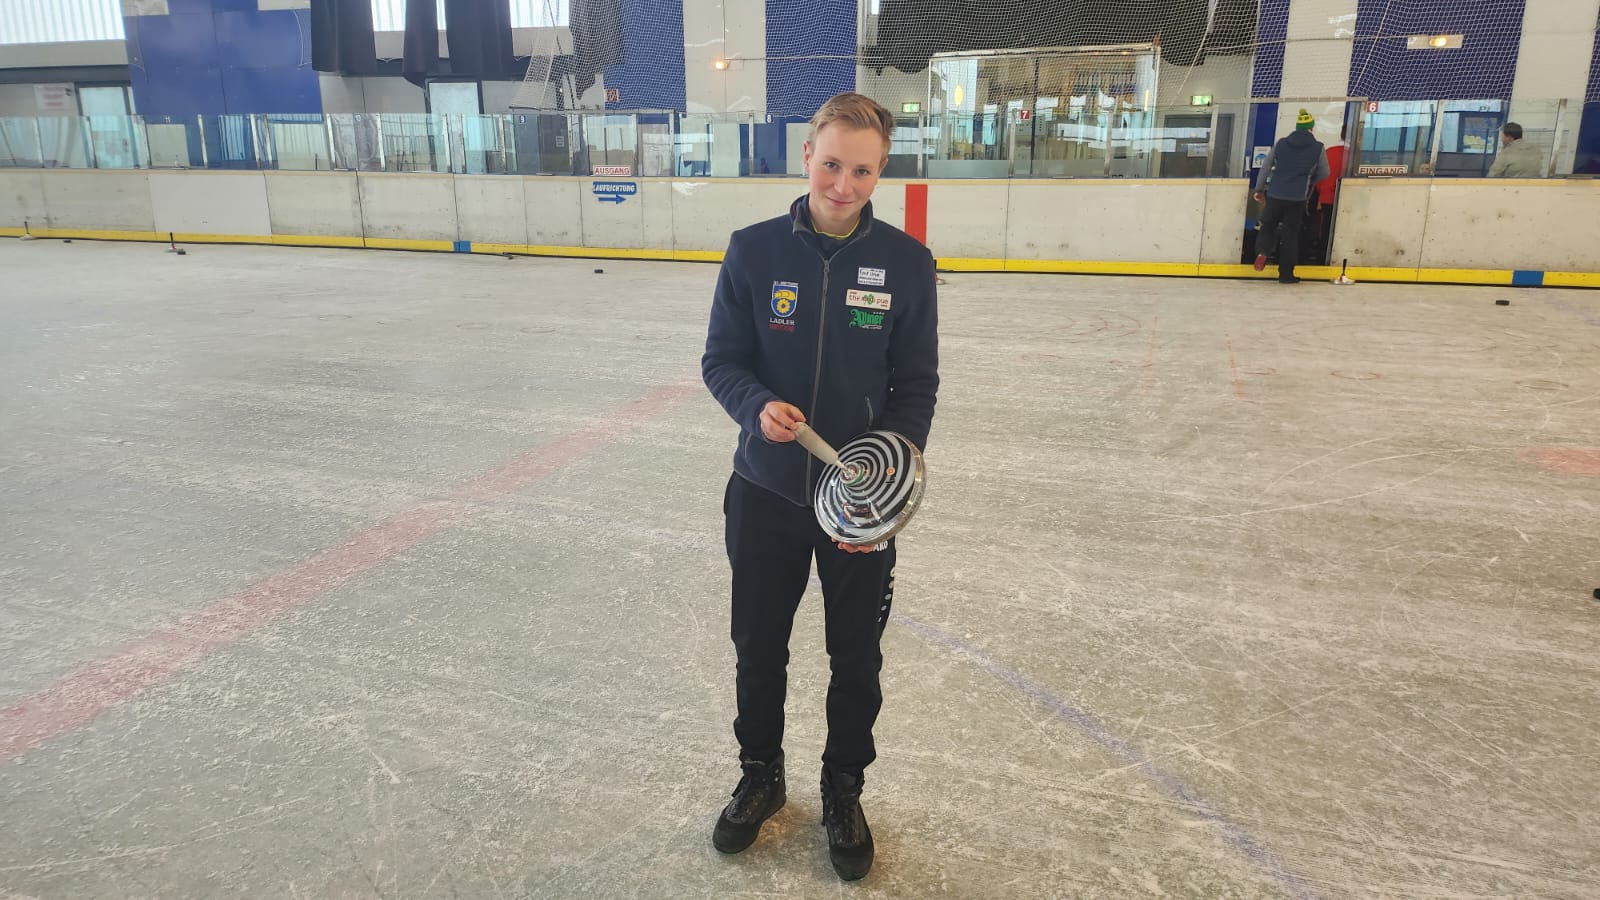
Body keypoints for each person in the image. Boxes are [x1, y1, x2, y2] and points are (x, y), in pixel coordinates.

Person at [701, 91, 940, 882]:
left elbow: (917, 385)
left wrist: (882, 477)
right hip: (765, 492)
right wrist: (754, 405)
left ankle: (843, 790)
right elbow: (721, 361)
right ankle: (761, 776)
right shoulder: (753, 250)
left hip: (858, 511)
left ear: (880, 172)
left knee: (855, 659)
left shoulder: (907, 264)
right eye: (832, 163)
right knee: (758, 650)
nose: (844, 183)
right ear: (807, 155)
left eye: (863, 170)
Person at [1253, 108, 1330, 284]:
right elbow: (1325, 172)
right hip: (1297, 198)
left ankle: (1263, 251)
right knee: (1290, 235)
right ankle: (1286, 274)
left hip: (1275, 194)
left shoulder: (1281, 143)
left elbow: (1265, 167)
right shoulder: (1318, 147)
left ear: (1296, 128)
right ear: (1311, 129)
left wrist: (1259, 189)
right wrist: (1308, 180)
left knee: (1268, 226)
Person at [1305, 123, 1347, 265]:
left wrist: (1321, 192)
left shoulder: (1329, 151)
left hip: (1326, 198)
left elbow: (1319, 176)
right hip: (1346, 200)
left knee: (1326, 229)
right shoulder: (1355, 155)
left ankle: (1322, 257)